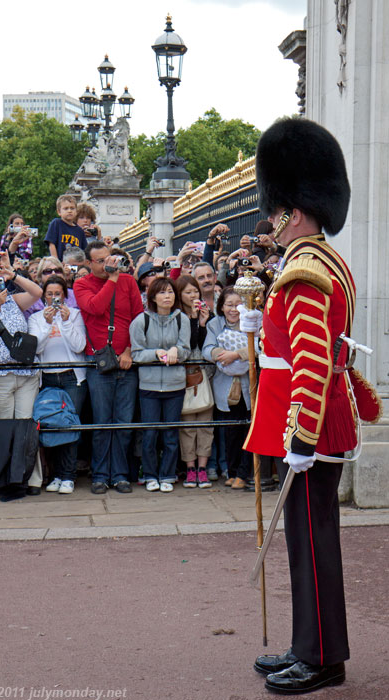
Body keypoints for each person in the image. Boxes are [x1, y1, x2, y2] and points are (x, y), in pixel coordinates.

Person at [244, 117, 356, 694]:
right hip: (309, 421)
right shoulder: (319, 260)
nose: (271, 219)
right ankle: (307, 644)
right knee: (307, 541)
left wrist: (302, 439)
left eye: (276, 208)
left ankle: (320, 659)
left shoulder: (306, 269)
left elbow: (312, 362)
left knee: (311, 544)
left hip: (305, 425)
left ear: (294, 207)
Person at [74, 241, 143, 495]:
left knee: (123, 422)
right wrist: (112, 281)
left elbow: (138, 318)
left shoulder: (128, 281)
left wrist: (129, 350)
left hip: (126, 360)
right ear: (89, 263)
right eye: (100, 261)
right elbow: (95, 307)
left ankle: (121, 475)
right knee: (102, 423)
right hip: (98, 362)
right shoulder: (82, 284)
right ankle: (101, 475)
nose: (107, 264)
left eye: (109, 259)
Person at [0, 258, 43, 494]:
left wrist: (13, 275)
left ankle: (30, 478)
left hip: (26, 373)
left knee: (27, 425)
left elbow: (37, 292)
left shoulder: (11, 300)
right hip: (1, 374)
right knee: (4, 426)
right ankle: (5, 479)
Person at [130, 278, 190, 493]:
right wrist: (155, 353)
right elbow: (136, 353)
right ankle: (149, 474)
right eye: (162, 292)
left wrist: (177, 351)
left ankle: (168, 474)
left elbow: (186, 349)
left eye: (171, 292)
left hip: (175, 384)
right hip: (149, 385)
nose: (168, 296)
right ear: (152, 297)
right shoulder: (140, 321)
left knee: (171, 433)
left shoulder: (182, 319)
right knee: (150, 433)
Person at [28, 276, 87, 494]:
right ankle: (55, 475)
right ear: (44, 296)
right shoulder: (35, 319)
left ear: (65, 295)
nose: (54, 298)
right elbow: (36, 348)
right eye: (50, 294)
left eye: (58, 294)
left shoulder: (75, 315)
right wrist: (46, 323)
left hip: (72, 376)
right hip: (48, 377)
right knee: (51, 425)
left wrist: (67, 321)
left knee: (70, 425)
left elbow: (79, 345)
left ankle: (68, 475)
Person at [202, 286, 252, 489]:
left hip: (248, 386)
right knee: (230, 433)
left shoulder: (250, 322)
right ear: (221, 307)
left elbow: (258, 346)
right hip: (225, 385)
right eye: (229, 305)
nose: (233, 309)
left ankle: (243, 473)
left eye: (238, 304)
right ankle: (231, 472)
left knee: (248, 430)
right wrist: (220, 355)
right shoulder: (215, 324)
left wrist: (237, 354)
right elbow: (207, 349)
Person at [176, 274, 214, 488]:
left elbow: (203, 343)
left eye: (195, 292)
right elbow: (188, 345)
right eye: (188, 292)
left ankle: (203, 468)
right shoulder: (177, 316)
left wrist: (203, 322)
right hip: (184, 374)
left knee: (205, 424)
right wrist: (192, 320)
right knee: (188, 425)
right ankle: (190, 468)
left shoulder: (206, 314)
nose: (193, 296)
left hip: (204, 374)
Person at [45, 195, 87, 261]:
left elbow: (83, 251)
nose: (69, 211)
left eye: (72, 208)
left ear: (76, 211)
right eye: (66, 208)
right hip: (60, 262)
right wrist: (56, 262)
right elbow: (51, 244)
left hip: (76, 264)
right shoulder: (56, 223)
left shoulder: (80, 231)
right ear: (59, 212)